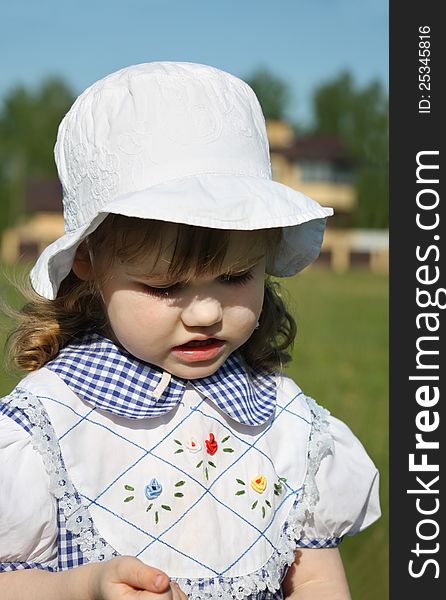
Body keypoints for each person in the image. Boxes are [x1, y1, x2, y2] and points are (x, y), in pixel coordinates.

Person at [0, 61, 380, 599]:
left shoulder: (283, 421)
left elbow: (315, 575)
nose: (205, 313)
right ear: (87, 261)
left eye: (234, 277)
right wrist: (84, 588)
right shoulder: (49, 428)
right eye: (164, 285)